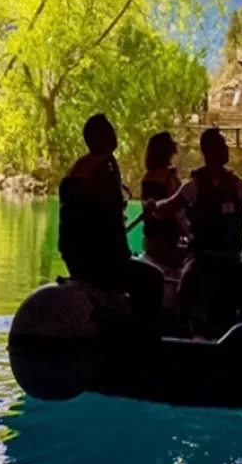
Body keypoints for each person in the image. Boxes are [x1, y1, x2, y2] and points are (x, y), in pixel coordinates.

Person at [146, 128, 242, 336]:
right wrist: (154, 208)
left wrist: (153, 208)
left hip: (228, 258)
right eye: (222, 144)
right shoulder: (195, 184)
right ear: (209, 150)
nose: (227, 148)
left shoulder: (233, 183)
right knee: (187, 289)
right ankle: (184, 329)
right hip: (204, 257)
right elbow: (168, 207)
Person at [58, 114, 163, 325]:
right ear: (102, 137)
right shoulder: (100, 170)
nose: (115, 134)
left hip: (81, 259)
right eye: (111, 131)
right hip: (97, 263)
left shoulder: (84, 168)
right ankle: (143, 335)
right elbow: (102, 222)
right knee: (153, 279)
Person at [140, 132, 187, 271]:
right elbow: (179, 213)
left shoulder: (146, 178)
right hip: (168, 244)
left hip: (150, 243)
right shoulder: (171, 179)